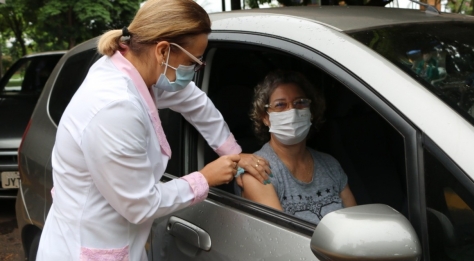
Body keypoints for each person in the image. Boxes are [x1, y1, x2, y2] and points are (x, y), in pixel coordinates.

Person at [36, 1, 270, 260]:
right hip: (85, 249)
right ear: (163, 51)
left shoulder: (137, 70)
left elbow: (195, 101)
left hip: (116, 240)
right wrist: (204, 178)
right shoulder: (114, 107)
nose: (194, 70)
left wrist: (235, 153)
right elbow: (140, 204)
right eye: (194, 62)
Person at [239, 70, 357, 225]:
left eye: (300, 102)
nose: (292, 111)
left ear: (311, 112)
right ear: (265, 117)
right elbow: (280, 237)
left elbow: (356, 225)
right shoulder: (259, 170)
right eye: (280, 105)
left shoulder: (330, 165)